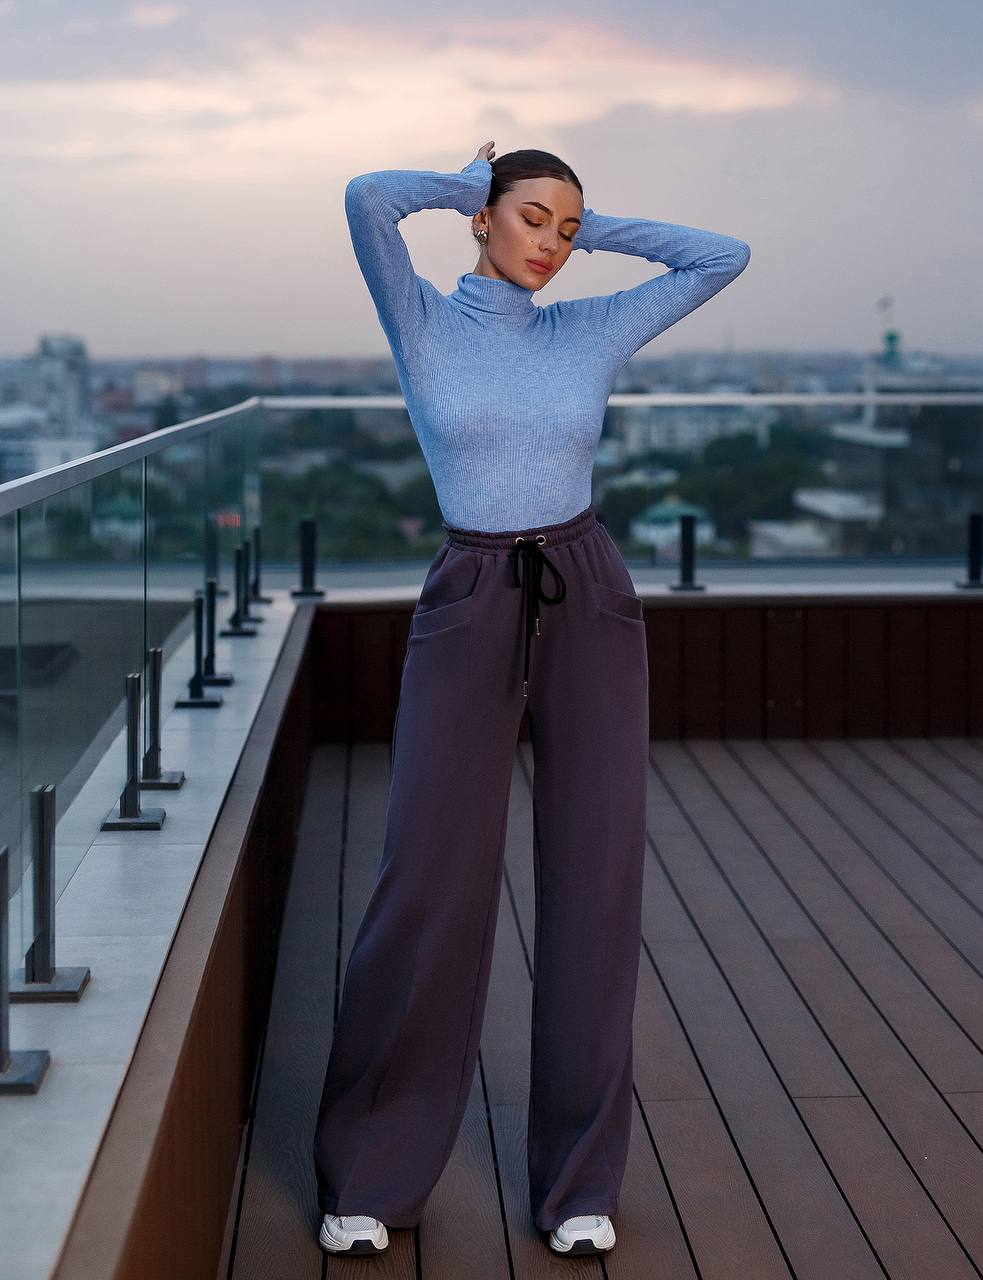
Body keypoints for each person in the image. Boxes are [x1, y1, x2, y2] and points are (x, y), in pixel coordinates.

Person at [313, 139, 750, 1257]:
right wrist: (474, 182)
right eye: (531, 220)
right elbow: (367, 198)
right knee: (427, 875)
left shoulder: (586, 327)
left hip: (586, 588)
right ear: (479, 220)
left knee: (596, 874)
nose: (550, 244)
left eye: (567, 228)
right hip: (468, 592)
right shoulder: (418, 317)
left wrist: (593, 226)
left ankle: (578, 1181)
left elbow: (720, 256)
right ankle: (372, 1167)